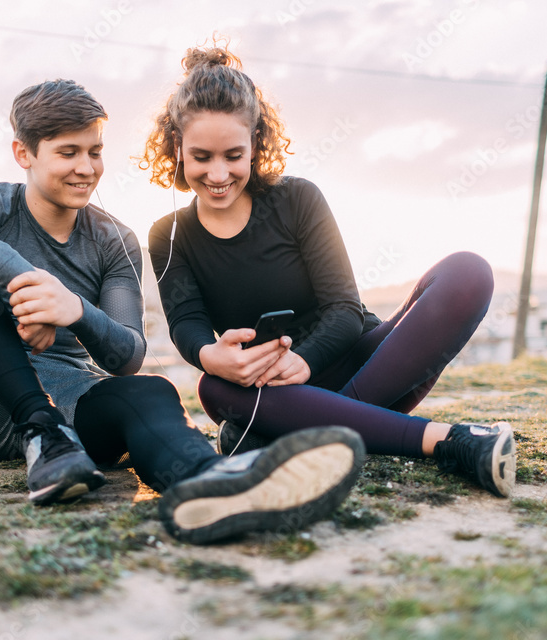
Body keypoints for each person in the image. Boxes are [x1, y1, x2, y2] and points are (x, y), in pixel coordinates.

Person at [0, 78, 366, 545]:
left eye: (94, 151)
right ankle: (37, 430)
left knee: (149, 390)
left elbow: (126, 353)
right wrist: (25, 281)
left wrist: (72, 309)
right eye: (67, 153)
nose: (86, 168)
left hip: (71, 414)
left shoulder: (114, 242)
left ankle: (214, 483)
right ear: (23, 154)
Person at [142, 46, 517, 498]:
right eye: (202, 157)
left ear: (257, 144)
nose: (218, 173)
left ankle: (296, 434)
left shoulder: (298, 199)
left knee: (468, 272)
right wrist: (210, 355)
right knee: (214, 389)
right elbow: (186, 321)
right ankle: (449, 441)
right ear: (176, 147)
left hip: (362, 365)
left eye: (233, 155)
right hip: (269, 391)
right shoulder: (169, 233)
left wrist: (306, 360)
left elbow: (344, 309)